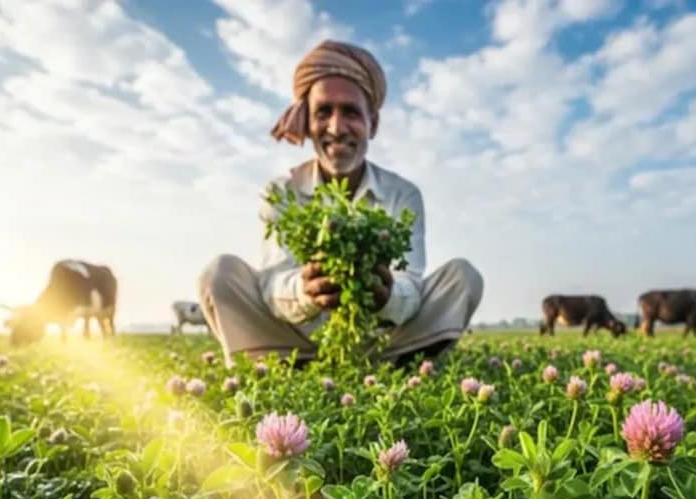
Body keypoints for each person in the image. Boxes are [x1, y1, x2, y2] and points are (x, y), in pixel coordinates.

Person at [198, 40, 483, 367]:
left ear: (372, 124)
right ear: (306, 121)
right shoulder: (282, 192)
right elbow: (273, 282)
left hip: (384, 341)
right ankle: (288, 364)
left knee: (463, 278)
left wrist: (388, 297)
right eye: (323, 112)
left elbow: (411, 285)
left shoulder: (401, 194)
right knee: (218, 275)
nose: (336, 127)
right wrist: (306, 290)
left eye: (350, 112)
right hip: (296, 341)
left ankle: (402, 364)